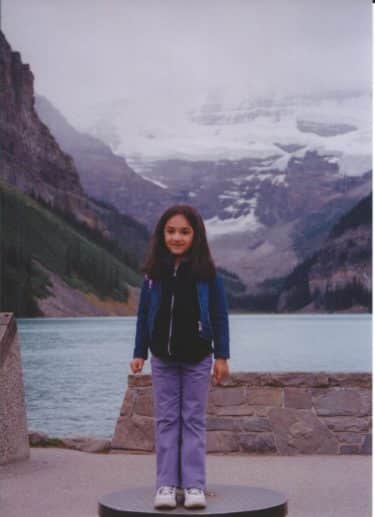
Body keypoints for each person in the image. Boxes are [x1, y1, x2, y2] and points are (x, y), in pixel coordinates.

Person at [130, 204, 230, 510]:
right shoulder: (153, 274)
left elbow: (220, 316)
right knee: (167, 420)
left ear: (196, 235)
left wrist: (222, 356)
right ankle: (166, 485)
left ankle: (194, 486)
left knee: (193, 421)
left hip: (198, 357)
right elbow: (144, 313)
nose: (177, 237)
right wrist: (139, 352)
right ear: (162, 234)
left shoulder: (208, 274)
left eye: (184, 232)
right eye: (171, 231)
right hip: (162, 358)